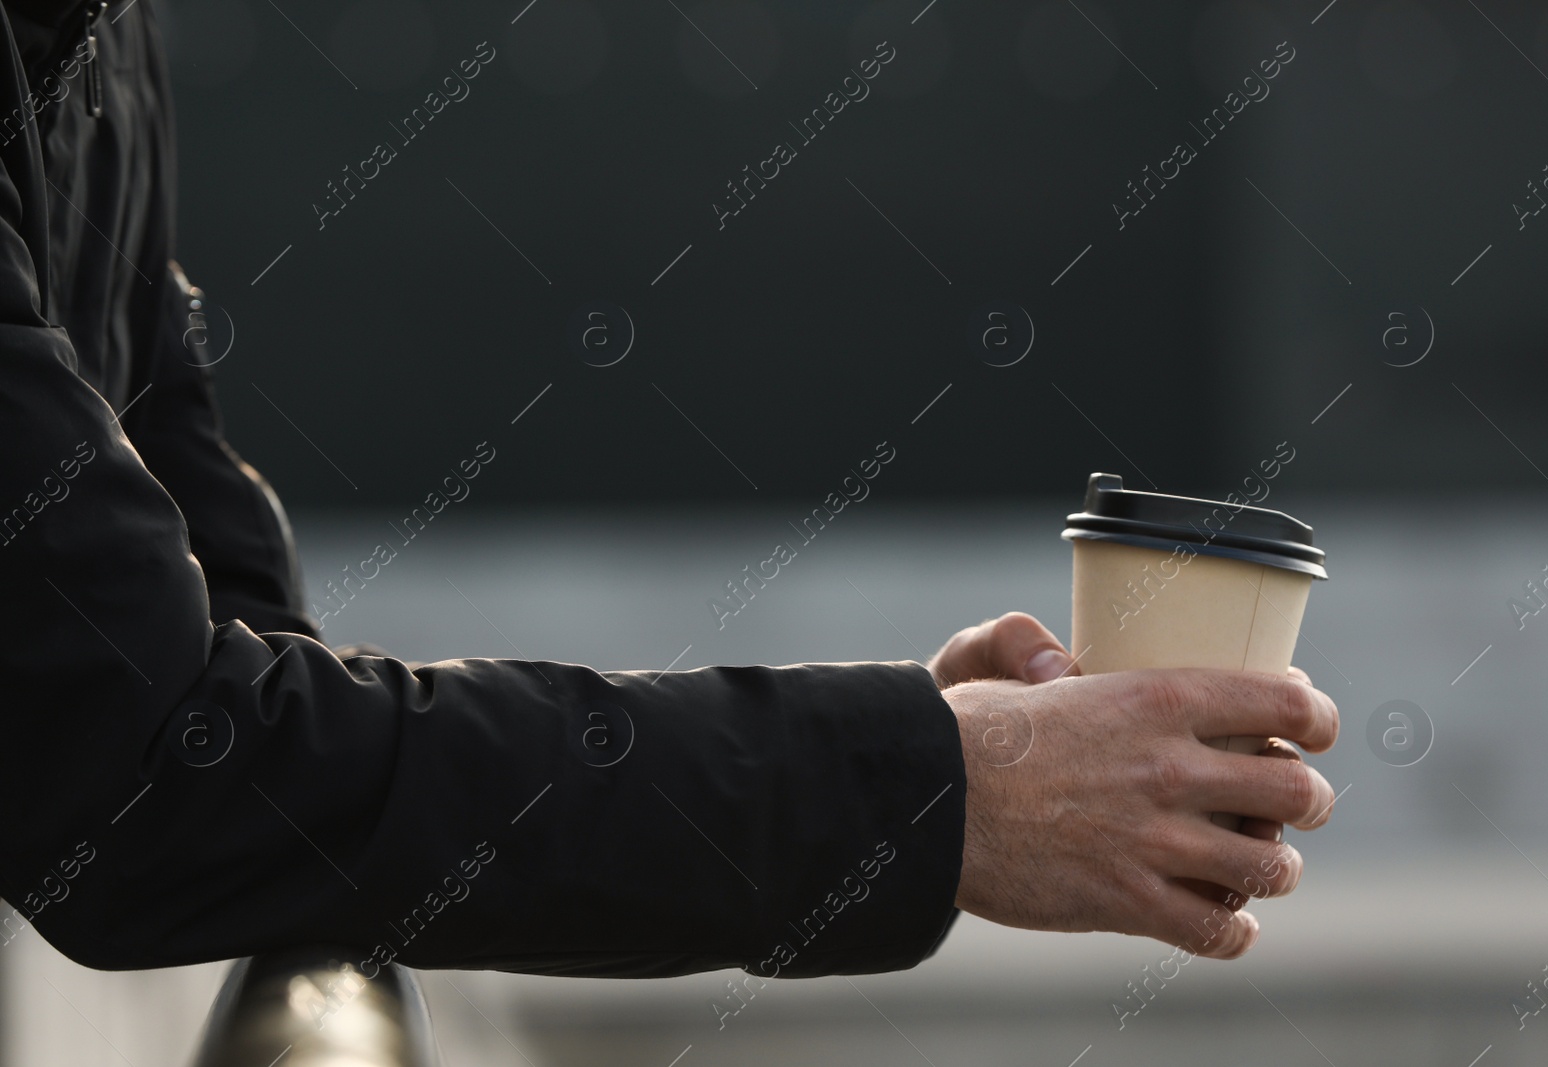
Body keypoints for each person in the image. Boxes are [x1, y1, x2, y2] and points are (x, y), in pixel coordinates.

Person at [0, 2, 1338, 978]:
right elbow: (157, 776)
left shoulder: (102, 34)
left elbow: (230, 674)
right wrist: (923, 790)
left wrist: (930, 762)